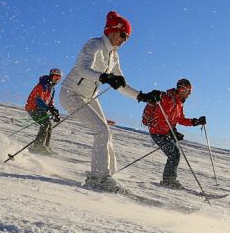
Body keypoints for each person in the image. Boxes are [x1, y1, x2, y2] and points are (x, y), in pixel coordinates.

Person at [58, 10, 161, 193]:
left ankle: (107, 176)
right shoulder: (94, 45)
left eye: (127, 37)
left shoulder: (113, 55)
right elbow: (82, 69)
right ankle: (98, 178)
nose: (125, 40)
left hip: (88, 97)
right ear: (112, 30)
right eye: (123, 35)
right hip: (71, 93)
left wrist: (142, 96)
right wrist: (105, 78)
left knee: (107, 133)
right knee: (101, 130)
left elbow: (120, 83)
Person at [144, 78, 207, 190]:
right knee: (174, 154)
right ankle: (168, 181)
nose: (190, 94)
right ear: (183, 89)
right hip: (157, 132)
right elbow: (160, 118)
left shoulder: (178, 103)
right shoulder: (167, 99)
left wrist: (195, 121)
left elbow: (180, 119)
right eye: (189, 91)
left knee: (174, 154)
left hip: (165, 132)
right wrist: (171, 132)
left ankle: (169, 179)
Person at [24, 68, 63, 154]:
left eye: (59, 77)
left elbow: (49, 102)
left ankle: (45, 146)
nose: (57, 79)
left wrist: (55, 111)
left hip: (41, 108)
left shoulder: (52, 89)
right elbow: (38, 100)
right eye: (56, 76)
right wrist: (49, 109)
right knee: (45, 124)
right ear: (51, 76)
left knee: (49, 125)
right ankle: (37, 146)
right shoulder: (42, 85)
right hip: (33, 107)